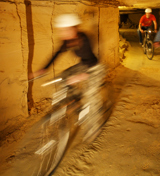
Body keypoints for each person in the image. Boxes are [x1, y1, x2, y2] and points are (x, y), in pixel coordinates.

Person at [29, 13, 106, 142]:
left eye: (66, 29)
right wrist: (44, 69)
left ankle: (93, 128)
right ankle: (74, 103)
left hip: (94, 68)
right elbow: (56, 54)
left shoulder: (84, 39)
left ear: (74, 29)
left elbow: (91, 61)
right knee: (63, 78)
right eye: (61, 30)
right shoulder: (67, 41)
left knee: (89, 97)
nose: (62, 33)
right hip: (82, 65)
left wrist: (81, 76)